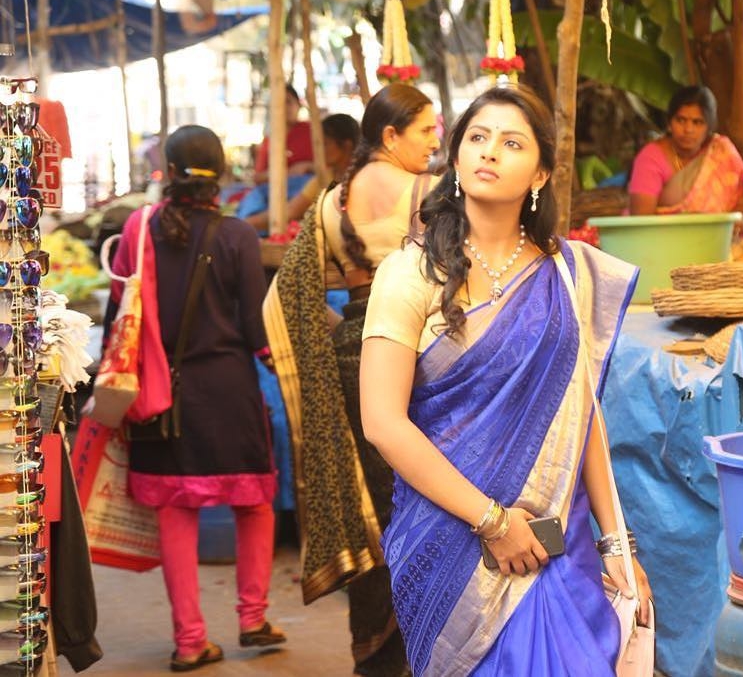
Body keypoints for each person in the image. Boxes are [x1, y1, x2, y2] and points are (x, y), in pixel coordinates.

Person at [359, 84, 654, 675]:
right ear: (458, 157)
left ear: (541, 171)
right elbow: (382, 424)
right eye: (477, 137)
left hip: (552, 540)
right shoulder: (408, 274)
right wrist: (492, 522)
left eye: (511, 142)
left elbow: (582, 410)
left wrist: (616, 539)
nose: (489, 151)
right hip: (450, 543)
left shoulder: (569, 273)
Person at [262, 83, 439, 676]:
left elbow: (288, 295)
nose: (437, 141)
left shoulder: (331, 201)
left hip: (350, 354)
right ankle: (426, 646)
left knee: (371, 505)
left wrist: (338, 333)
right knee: (421, 496)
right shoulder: (428, 193)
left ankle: (375, 653)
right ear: (391, 136)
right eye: (426, 131)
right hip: (416, 355)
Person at [107, 125, 284, 672]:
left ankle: (190, 641)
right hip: (228, 390)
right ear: (220, 175)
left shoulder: (138, 230)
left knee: (175, 511)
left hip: (160, 394)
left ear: (167, 169)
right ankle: (252, 619)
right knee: (253, 502)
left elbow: (121, 315)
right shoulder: (236, 237)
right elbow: (259, 330)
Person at [628, 85, 743, 216]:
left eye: (697, 122)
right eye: (681, 120)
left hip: (719, 232)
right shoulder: (650, 158)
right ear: (669, 123)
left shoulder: (720, 151)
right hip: (664, 233)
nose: (688, 129)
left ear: (709, 127)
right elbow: (641, 220)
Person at [244, 113, 360, 232]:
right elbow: (291, 210)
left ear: (347, 145)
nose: (320, 151)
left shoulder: (363, 178)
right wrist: (243, 225)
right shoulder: (324, 178)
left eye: (325, 144)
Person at [253, 84, 315, 184]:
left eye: (288, 102)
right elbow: (257, 177)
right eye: (279, 103)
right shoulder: (270, 139)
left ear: (298, 105)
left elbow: (328, 167)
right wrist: (283, 173)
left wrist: (307, 166)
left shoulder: (312, 132)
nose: (285, 107)